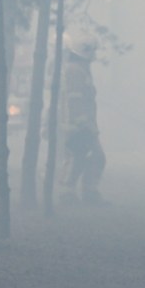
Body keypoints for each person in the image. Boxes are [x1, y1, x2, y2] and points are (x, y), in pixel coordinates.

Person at [60, 29, 106, 205]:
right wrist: (83, 123)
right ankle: (68, 193)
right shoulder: (75, 70)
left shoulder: (81, 69)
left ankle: (89, 192)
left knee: (91, 157)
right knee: (81, 157)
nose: (94, 54)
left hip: (84, 124)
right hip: (77, 125)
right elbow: (75, 98)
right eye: (92, 50)